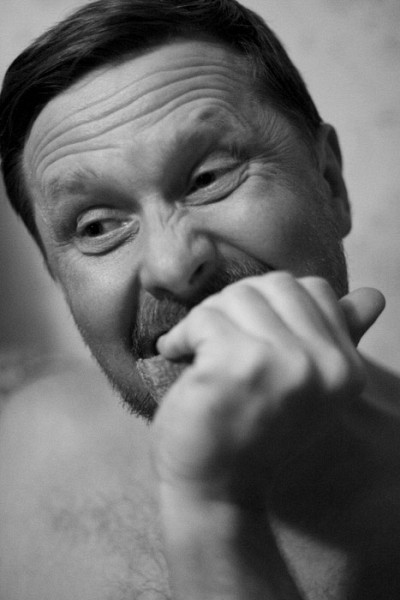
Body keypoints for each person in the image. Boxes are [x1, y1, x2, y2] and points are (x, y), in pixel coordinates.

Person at [0, 0, 399, 598]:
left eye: (209, 178)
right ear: (57, 276)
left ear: (330, 185)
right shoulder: (19, 436)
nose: (173, 266)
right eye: (97, 226)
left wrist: (214, 502)